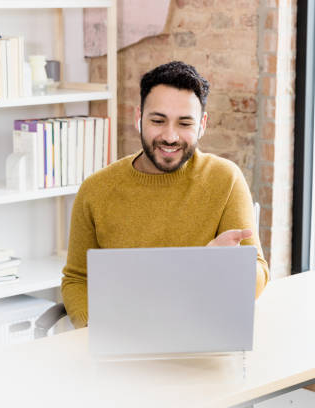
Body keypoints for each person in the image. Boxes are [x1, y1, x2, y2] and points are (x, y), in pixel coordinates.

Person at [61, 61, 270, 329]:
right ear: (139, 117)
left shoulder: (225, 179)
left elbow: (259, 276)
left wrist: (218, 266)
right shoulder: (96, 190)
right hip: (121, 340)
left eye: (184, 123)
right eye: (158, 121)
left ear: (202, 125)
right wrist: (97, 331)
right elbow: (77, 279)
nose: (170, 136)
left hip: (203, 337)